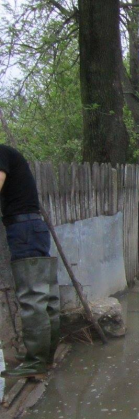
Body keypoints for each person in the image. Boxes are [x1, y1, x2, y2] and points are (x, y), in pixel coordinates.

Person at [0, 144, 59, 379]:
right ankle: (45, 359)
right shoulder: (10, 153)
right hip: (33, 226)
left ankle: (35, 362)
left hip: (22, 228)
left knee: (33, 299)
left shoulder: (1, 152)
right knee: (46, 299)